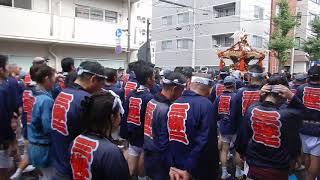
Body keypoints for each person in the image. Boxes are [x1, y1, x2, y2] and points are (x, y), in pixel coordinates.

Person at [235, 75, 305, 180]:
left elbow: (243, 136)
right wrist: (292, 96)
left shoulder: (251, 109)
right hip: (278, 168)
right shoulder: (288, 115)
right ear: (283, 94)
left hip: (254, 164)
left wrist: (241, 152)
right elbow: (303, 113)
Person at [51, 61, 106, 179]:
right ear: (93, 79)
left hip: (58, 159)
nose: (102, 88)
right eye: (102, 83)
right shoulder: (85, 99)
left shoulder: (62, 93)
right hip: (73, 166)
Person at [168, 75, 219, 180]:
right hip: (197, 167)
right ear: (209, 89)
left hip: (176, 165)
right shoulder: (206, 105)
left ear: (190, 85)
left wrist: (171, 164)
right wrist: (188, 168)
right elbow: (206, 141)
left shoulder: (174, 103)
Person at [69, 92, 130, 180]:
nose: (120, 117)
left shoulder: (76, 141)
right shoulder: (110, 152)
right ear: (112, 117)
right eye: (119, 114)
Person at [143, 71, 186, 180]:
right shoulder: (167, 109)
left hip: (148, 152)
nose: (181, 95)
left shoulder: (151, 101)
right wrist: (171, 164)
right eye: (181, 91)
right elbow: (164, 141)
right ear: (175, 89)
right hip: (160, 159)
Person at [230, 64, 265, 179]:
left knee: (240, 152)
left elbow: (234, 112)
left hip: (242, 128)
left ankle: (240, 171)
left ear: (249, 77)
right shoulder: (265, 92)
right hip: (262, 130)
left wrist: (234, 129)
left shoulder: (240, 92)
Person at [123, 62, 155, 177]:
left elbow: (125, 115)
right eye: (154, 77)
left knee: (131, 171)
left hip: (132, 136)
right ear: (148, 79)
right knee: (142, 172)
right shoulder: (150, 98)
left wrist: (125, 134)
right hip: (144, 139)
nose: (155, 80)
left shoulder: (132, 93)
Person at [27, 64, 56, 179]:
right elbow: (47, 127)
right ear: (46, 78)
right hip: (44, 147)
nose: (55, 81)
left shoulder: (31, 93)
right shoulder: (46, 100)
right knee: (48, 176)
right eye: (53, 78)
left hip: (33, 143)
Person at [10, 65, 39, 179]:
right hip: (34, 123)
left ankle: (20, 169)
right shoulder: (38, 90)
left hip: (27, 121)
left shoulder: (25, 87)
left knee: (29, 148)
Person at [296, 65, 320, 180]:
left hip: (303, 127)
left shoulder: (301, 89)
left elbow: (296, 107)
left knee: (306, 154)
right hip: (318, 130)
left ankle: (307, 175)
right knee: (316, 157)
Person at [213, 76, 237, 179]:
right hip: (235, 127)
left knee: (224, 150)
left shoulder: (219, 97)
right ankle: (239, 172)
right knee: (237, 151)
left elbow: (214, 112)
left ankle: (224, 172)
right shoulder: (236, 96)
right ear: (234, 85)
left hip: (223, 126)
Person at [0, 55, 19, 180]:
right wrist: (12, 141)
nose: (9, 69)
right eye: (7, 66)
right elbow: (3, 119)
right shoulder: (1, 90)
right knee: (3, 172)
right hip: (2, 140)